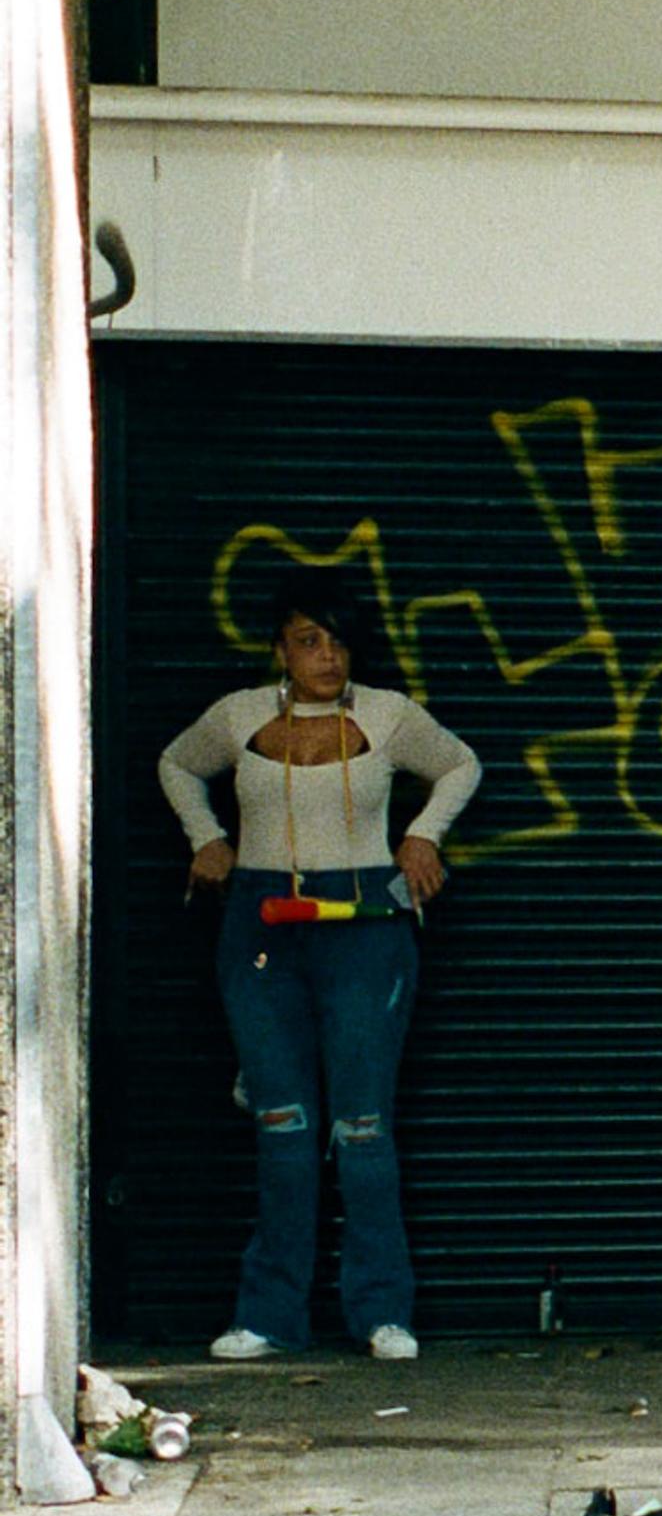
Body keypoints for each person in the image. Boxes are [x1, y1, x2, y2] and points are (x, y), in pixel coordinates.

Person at [160, 566, 482, 1364]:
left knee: (363, 1125)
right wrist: (207, 838)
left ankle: (382, 1312)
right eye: (309, 641)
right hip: (263, 919)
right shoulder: (238, 716)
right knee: (283, 1124)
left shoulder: (387, 714)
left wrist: (424, 834)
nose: (327, 657)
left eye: (337, 641)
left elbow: (461, 765)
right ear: (281, 651)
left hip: (365, 919)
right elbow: (176, 763)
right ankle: (268, 1315)